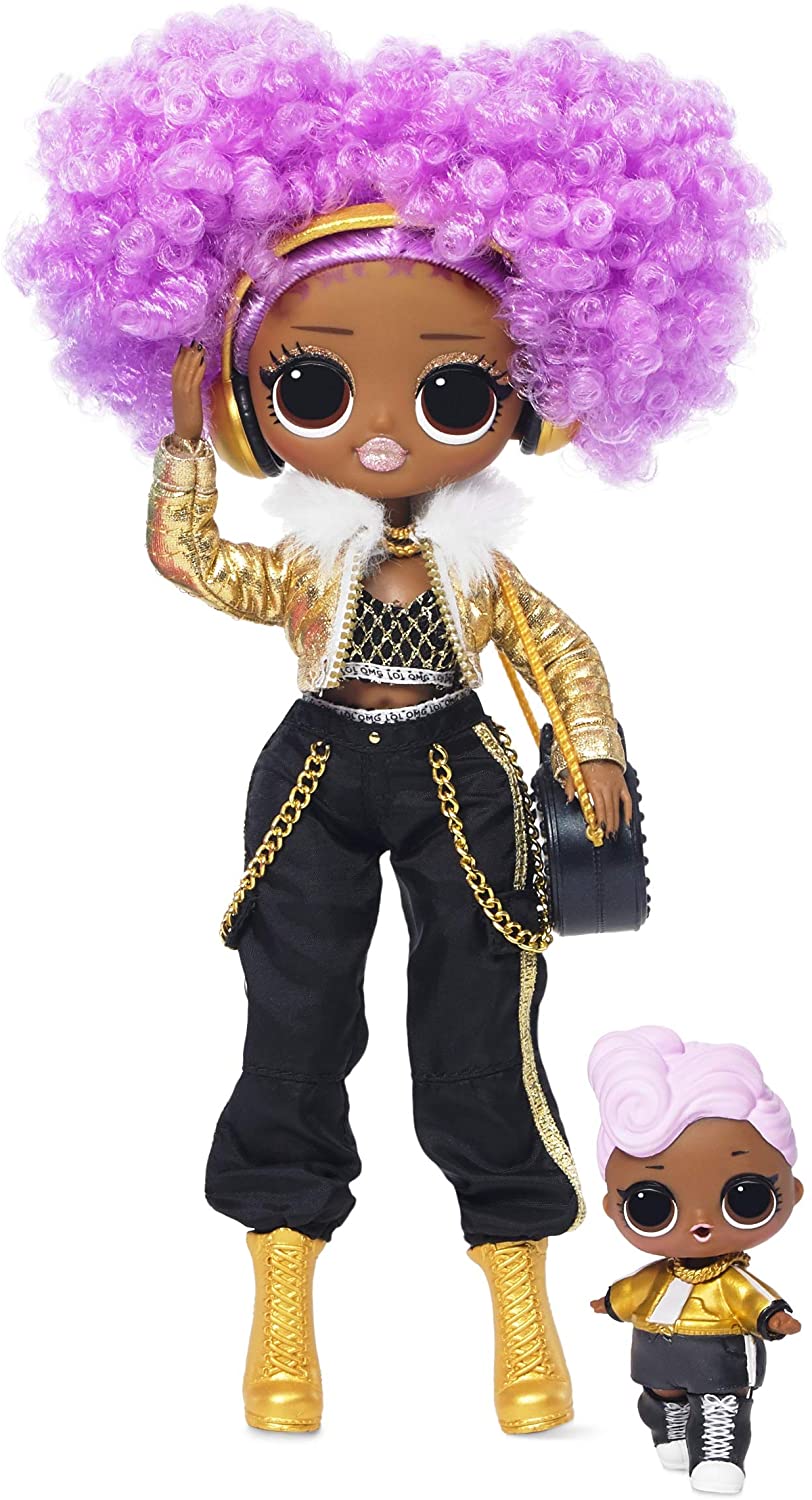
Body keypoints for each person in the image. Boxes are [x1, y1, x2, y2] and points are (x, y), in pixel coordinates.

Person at [9, 8, 772, 1435]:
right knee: (292, 1017)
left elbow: (557, 647)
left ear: (535, 396)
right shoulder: (307, 563)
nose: (376, 431)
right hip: (314, 766)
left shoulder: (484, 568)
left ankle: (519, 1301)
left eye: (451, 389)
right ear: (254, 400)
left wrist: (589, 748)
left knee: (481, 1013)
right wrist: (179, 451)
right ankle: (281, 1299)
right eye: (310, 384)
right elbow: (202, 565)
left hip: (457, 766)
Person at [589, 1027, 802, 1494]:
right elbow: (634, 1291)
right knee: (659, 1394)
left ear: (793, 1191)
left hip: (720, 1353)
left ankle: (719, 1453)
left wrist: (772, 1318)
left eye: (746, 1197)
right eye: (649, 1205)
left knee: (722, 1404)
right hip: (656, 1351)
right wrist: (611, 1303)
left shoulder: (730, 1280)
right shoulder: (655, 1275)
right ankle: (670, 1426)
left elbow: (753, 1298)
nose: (701, 1224)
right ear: (612, 1206)